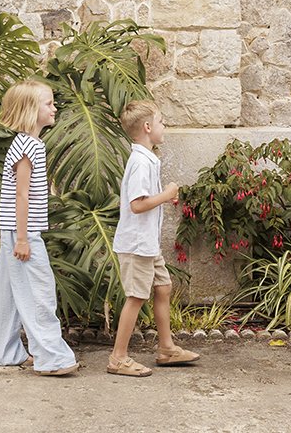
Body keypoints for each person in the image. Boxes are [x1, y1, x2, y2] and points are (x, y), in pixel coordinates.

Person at [0, 80, 80, 376]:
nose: (54, 108)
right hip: (21, 232)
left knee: (2, 292)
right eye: (48, 103)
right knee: (40, 292)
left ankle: (6, 353)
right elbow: (22, 194)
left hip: (12, 230)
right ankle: (52, 358)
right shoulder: (29, 146)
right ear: (30, 110)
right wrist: (24, 239)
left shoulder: (24, 143)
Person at [106, 100, 201, 376]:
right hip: (137, 244)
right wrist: (168, 194)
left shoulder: (147, 158)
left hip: (147, 243)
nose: (164, 127)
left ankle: (166, 347)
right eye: (161, 122)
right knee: (136, 297)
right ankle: (118, 357)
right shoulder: (139, 162)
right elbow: (137, 204)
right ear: (148, 127)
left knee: (163, 287)